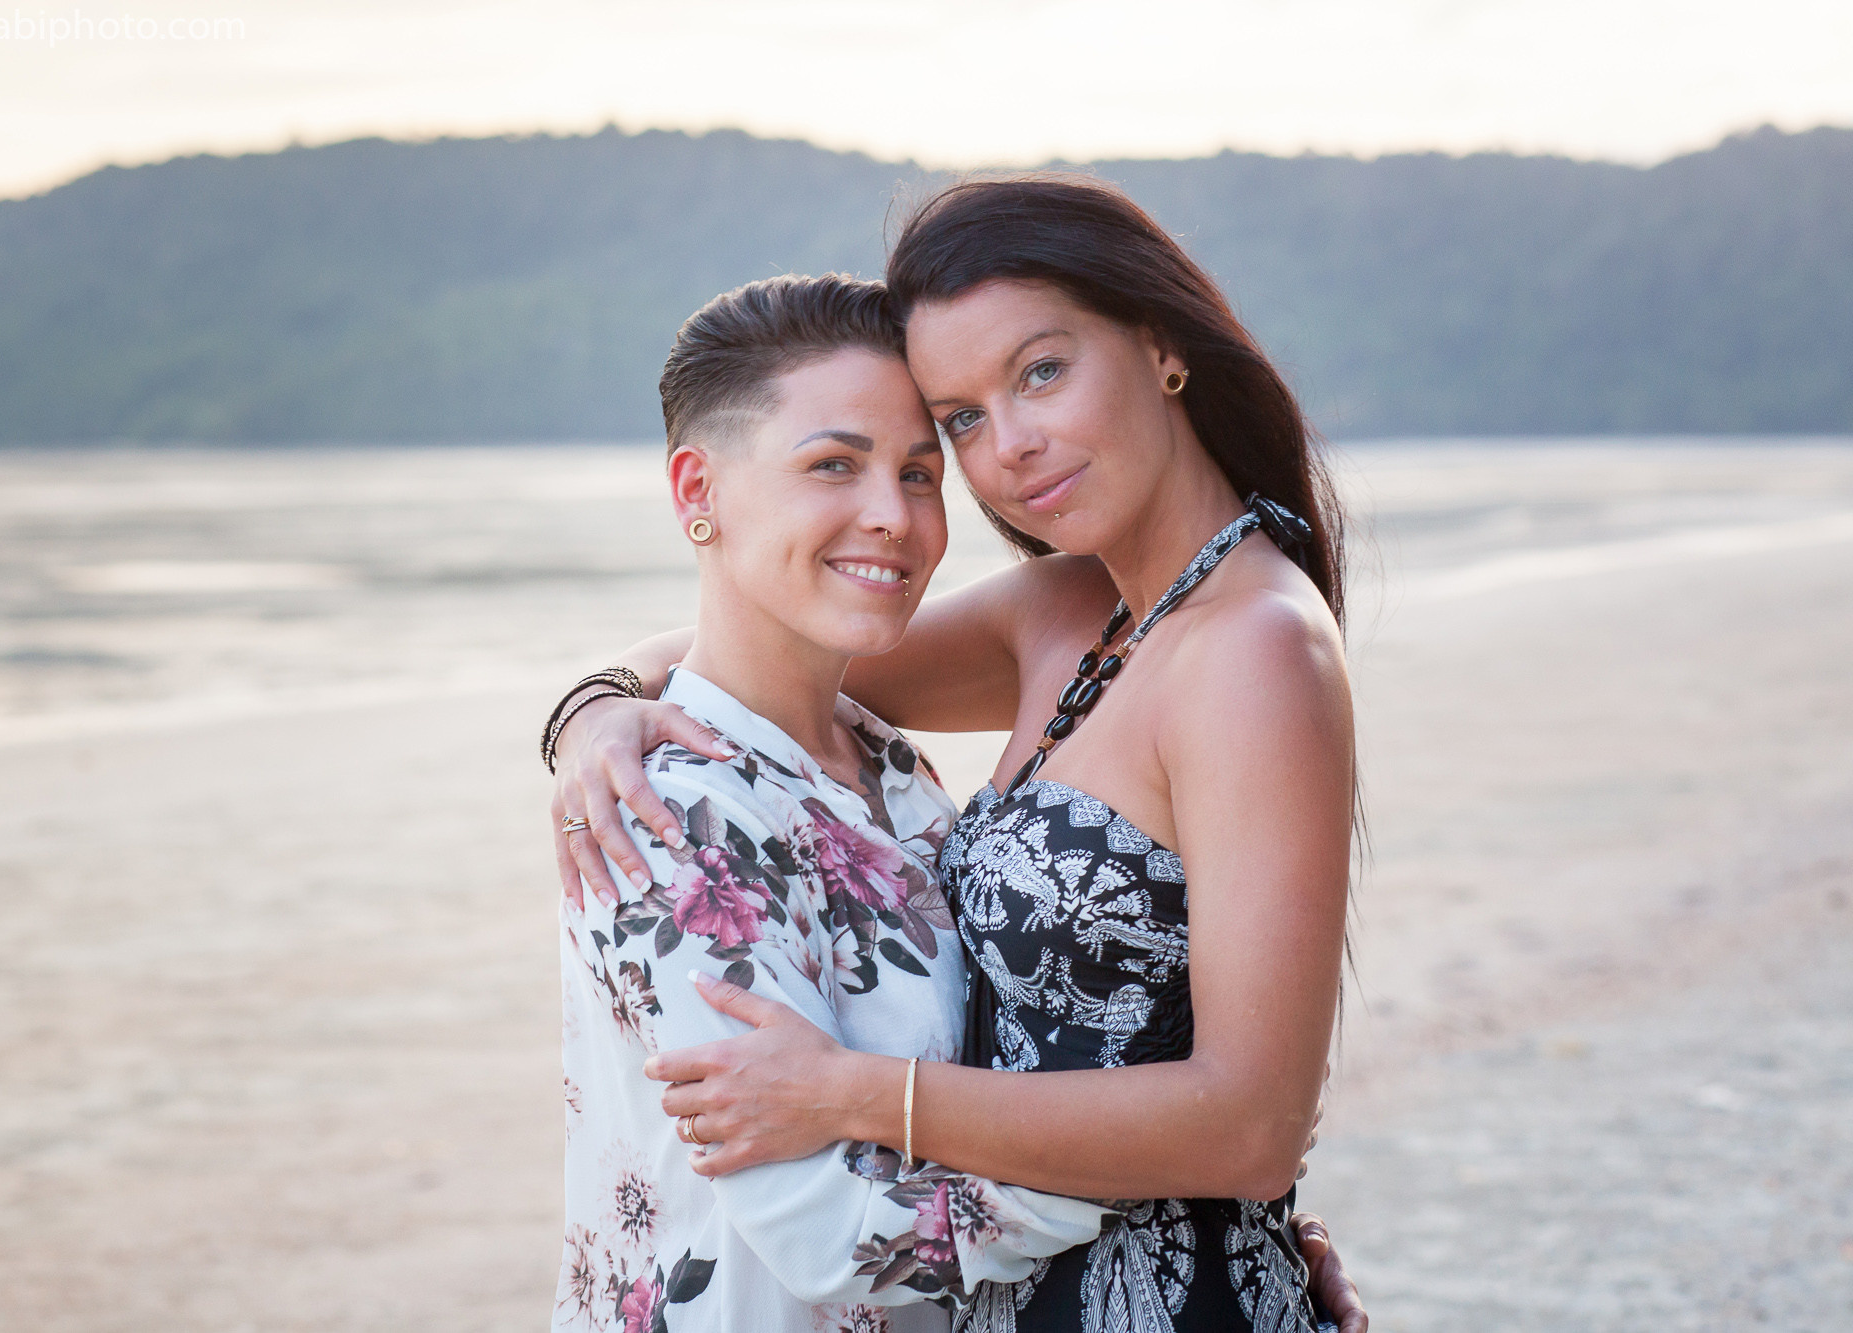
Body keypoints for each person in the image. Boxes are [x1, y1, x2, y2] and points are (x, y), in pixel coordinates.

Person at [553, 176, 1363, 1333]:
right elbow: (782, 644)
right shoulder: (1061, 612)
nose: (1011, 448)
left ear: (1159, 344)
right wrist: (595, 704)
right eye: (965, 420)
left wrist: (859, 1097)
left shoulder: (1255, 649)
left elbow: (1251, 1124)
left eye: (1040, 371)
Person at [556, 272, 1136, 1333]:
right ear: (698, 494)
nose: (894, 517)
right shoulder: (668, 809)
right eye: (833, 464)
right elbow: (835, 1233)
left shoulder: (886, 770)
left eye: (920, 474)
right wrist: (1176, 1173)